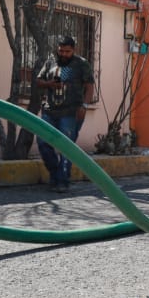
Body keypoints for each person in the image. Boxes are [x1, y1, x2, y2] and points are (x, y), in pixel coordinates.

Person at [36, 35, 95, 193]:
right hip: (49, 111)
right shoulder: (50, 61)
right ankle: (55, 174)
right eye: (61, 51)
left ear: (73, 50)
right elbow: (38, 81)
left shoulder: (81, 64)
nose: (63, 54)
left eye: (67, 51)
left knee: (66, 147)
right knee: (42, 143)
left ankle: (63, 181)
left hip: (71, 112)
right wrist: (50, 84)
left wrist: (84, 105)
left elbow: (90, 86)